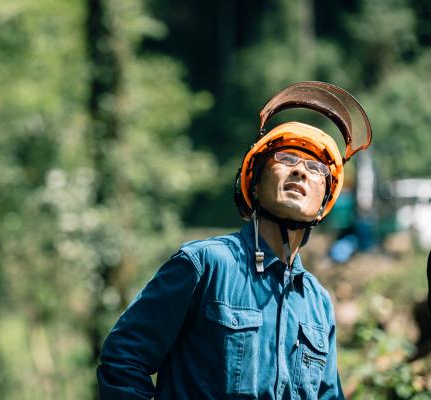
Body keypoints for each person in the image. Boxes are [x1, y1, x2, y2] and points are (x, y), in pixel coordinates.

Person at [97, 82, 373, 399]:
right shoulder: (205, 265)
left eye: (315, 168)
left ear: (325, 202)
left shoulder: (318, 302)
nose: (300, 172)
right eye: (286, 159)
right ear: (254, 183)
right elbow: (123, 361)